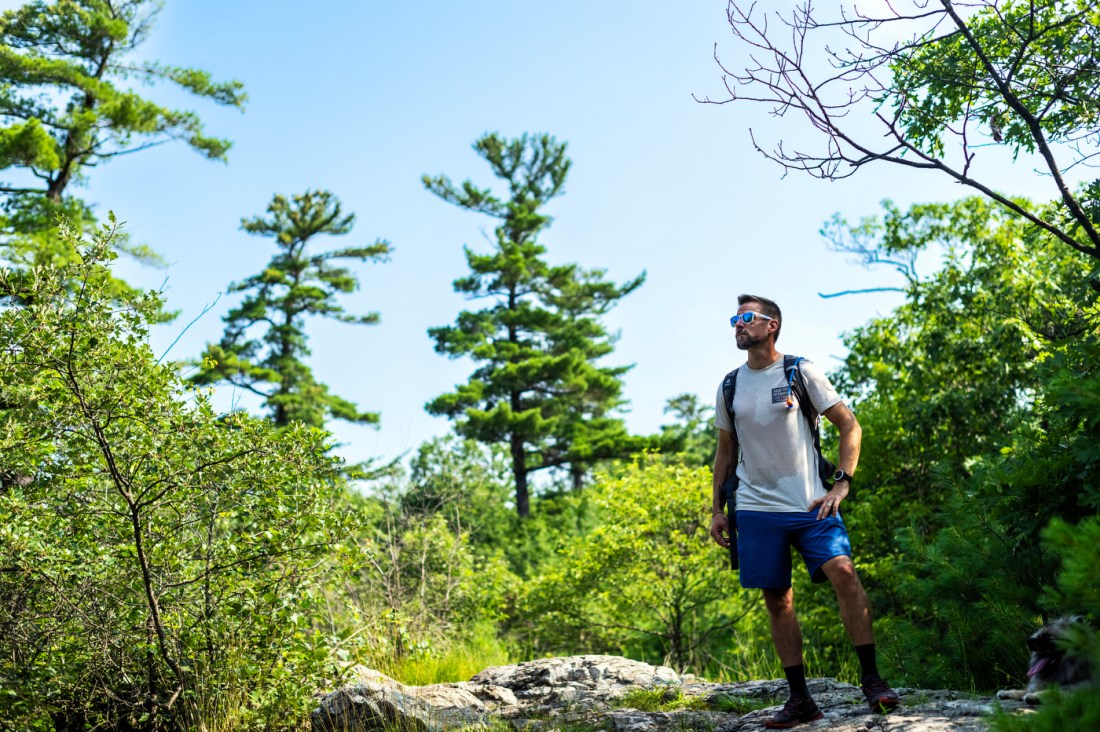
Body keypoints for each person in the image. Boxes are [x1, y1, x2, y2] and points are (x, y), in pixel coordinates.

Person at [709, 294, 899, 729]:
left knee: (845, 573)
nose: (737, 325)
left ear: (771, 325)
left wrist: (842, 482)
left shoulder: (800, 371)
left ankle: (872, 680)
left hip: (812, 502)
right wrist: (717, 509)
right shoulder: (729, 385)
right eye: (734, 319)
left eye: (746, 318)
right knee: (778, 600)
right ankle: (800, 701)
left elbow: (849, 426)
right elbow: (724, 452)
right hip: (756, 509)